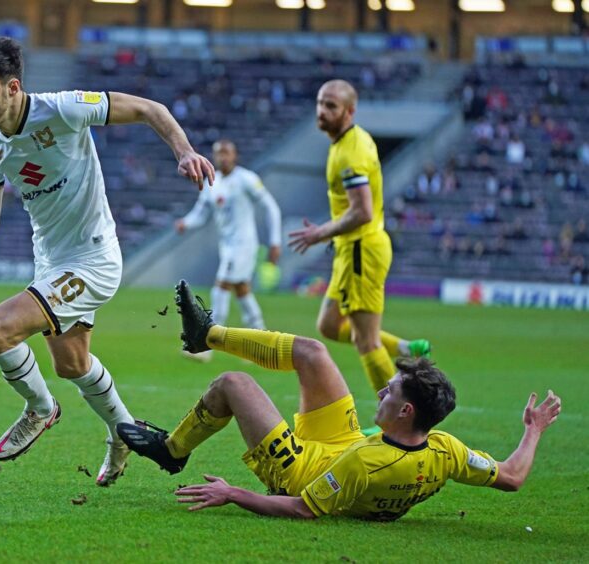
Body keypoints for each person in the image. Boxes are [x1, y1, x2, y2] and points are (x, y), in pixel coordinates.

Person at [0, 37, 215, 487]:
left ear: (12, 87)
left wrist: (183, 150)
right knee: (71, 364)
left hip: (93, 259)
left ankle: (40, 409)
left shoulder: (65, 108)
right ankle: (123, 433)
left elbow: (151, 109)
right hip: (52, 263)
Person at [117, 281, 561, 521]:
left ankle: (171, 450)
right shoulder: (446, 450)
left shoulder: (368, 463)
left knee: (233, 383)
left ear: (407, 411)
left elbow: (301, 508)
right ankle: (206, 335)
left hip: (301, 470)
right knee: (312, 352)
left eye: (391, 392)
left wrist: (233, 493)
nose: (382, 392)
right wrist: (533, 428)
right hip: (342, 442)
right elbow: (513, 476)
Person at [288, 79, 429, 435]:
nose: (322, 110)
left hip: (361, 250)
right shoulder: (344, 142)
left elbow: (362, 210)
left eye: (331, 105)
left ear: (349, 111)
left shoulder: (351, 152)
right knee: (330, 326)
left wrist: (320, 232)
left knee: (366, 342)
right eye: (320, 103)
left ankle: (398, 423)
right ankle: (404, 346)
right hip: (351, 250)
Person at [175, 139, 282, 361]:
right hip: (227, 246)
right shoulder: (212, 183)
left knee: (220, 287)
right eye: (218, 153)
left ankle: (208, 345)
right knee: (242, 290)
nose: (222, 157)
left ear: (235, 156)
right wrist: (186, 222)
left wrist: (275, 241)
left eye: (227, 152)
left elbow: (270, 207)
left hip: (244, 244)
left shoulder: (246, 179)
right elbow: (201, 213)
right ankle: (262, 343)